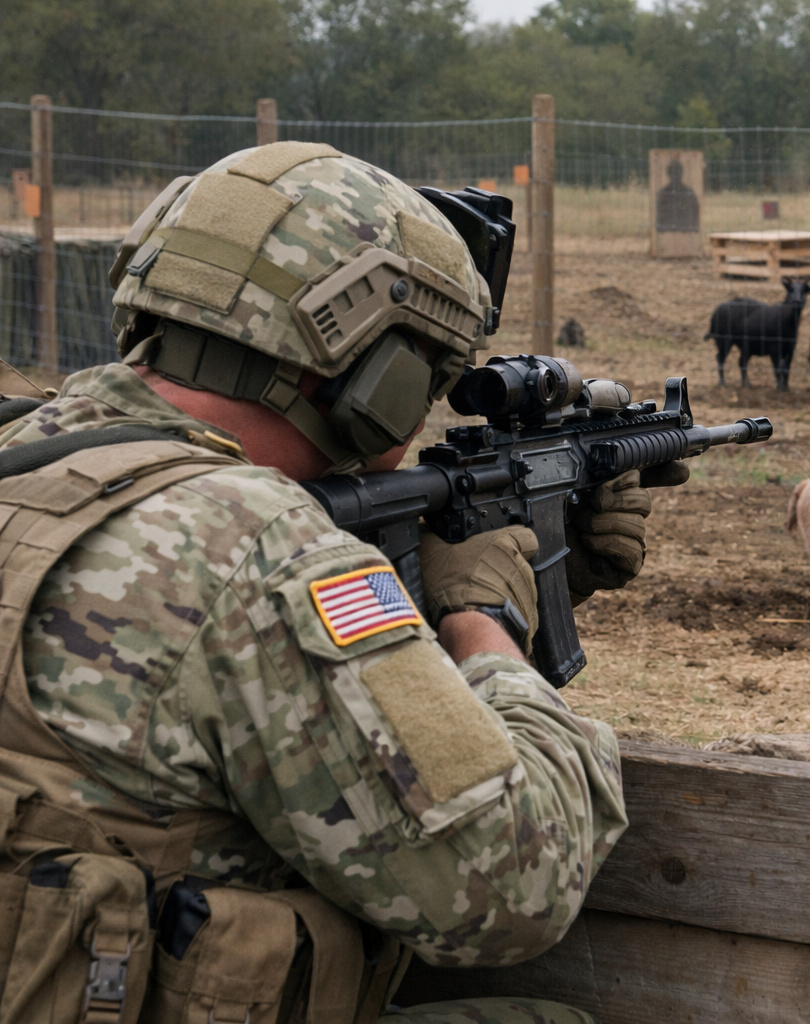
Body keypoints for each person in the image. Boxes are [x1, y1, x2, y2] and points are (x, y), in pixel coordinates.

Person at [0, 142, 661, 1024]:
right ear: (367, 378)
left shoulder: (29, 452)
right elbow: (515, 888)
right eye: (431, 371)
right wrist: (484, 618)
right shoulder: (259, 549)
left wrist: (544, 571)